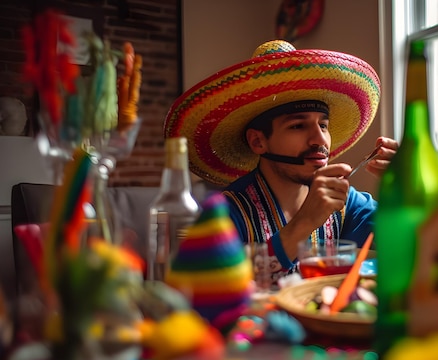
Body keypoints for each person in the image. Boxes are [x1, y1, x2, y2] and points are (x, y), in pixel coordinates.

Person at [164, 40, 397, 284]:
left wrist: (407, 189)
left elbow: (413, 245)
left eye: (323, 125)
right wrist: (305, 222)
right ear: (258, 142)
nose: (320, 139)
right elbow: (211, 287)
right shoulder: (222, 216)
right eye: (298, 126)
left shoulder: (346, 204)